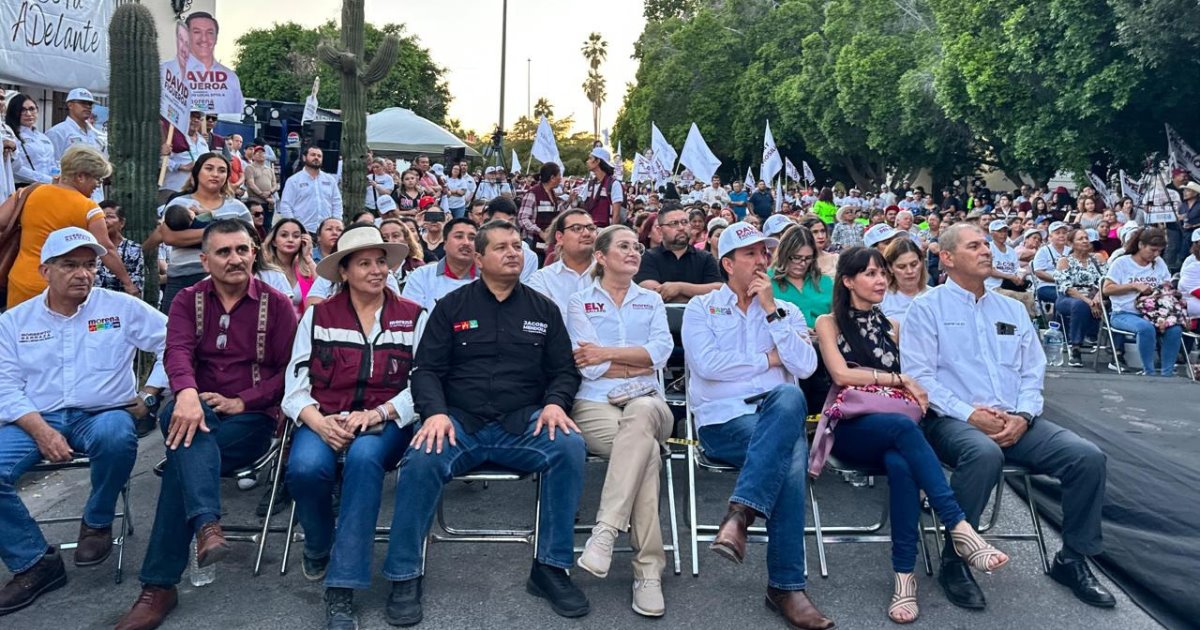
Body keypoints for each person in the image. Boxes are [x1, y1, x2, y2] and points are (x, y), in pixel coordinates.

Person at [901, 224, 1114, 612]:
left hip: (1016, 420)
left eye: (986, 244)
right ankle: (957, 556)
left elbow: (1033, 370)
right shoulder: (926, 308)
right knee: (984, 454)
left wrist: (1024, 415)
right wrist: (971, 415)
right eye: (974, 246)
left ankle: (1072, 559)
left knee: (1087, 457)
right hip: (950, 420)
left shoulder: (1012, 308)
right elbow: (920, 379)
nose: (986, 251)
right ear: (946, 258)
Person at [385, 220, 589, 624]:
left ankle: (550, 568)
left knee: (569, 446)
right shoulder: (452, 307)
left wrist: (555, 404)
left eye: (517, 245)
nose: (513, 252)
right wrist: (436, 413)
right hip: (460, 423)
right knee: (422, 456)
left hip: (523, 423)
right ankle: (405, 574)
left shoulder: (542, 308)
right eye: (501, 247)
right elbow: (425, 370)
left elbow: (565, 371)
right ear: (479, 259)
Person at [115, 220, 299, 630]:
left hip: (248, 420)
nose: (235, 259)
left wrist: (241, 400)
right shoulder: (186, 300)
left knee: (183, 460)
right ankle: (205, 528)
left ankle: (160, 586)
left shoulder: (278, 304)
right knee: (186, 422)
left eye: (242, 250)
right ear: (204, 260)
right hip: (187, 408)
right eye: (224, 252)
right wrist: (184, 393)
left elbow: (292, 372)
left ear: (254, 252)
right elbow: (176, 350)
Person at [814, 246, 1008, 624]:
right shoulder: (829, 322)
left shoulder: (894, 327)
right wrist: (899, 379)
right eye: (869, 274)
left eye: (881, 273)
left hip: (896, 432)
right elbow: (841, 375)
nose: (880, 280)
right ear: (848, 280)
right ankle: (958, 525)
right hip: (852, 428)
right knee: (905, 429)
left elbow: (923, 375)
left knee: (902, 465)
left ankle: (905, 580)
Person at [0, 228, 166, 616]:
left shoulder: (120, 307)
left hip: (103, 412)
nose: (83, 274)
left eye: (90, 265)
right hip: (34, 418)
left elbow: (175, 341)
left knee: (116, 435)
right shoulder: (15, 321)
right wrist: (40, 430)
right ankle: (35, 562)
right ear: (45, 271)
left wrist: (151, 392)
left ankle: (97, 519)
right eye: (70, 265)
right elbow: (4, 384)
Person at [682, 221, 833, 630]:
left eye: (764, 253)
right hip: (725, 421)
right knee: (789, 449)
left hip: (776, 416)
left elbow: (805, 366)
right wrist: (769, 361)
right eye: (750, 254)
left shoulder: (786, 311)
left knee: (787, 397)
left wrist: (771, 311)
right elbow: (707, 368)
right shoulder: (702, 307)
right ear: (728, 264)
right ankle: (786, 587)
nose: (761, 260)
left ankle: (740, 516)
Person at [284, 225, 426, 629]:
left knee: (364, 460)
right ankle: (318, 542)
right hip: (324, 415)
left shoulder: (413, 315)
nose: (377, 270)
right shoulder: (319, 315)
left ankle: (341, 588)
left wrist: (379, 414)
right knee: (307, 470)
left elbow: (423, 384)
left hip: (386, 421)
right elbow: (294, 385)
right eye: (364, 263)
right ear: (343, 272)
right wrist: (317, 420)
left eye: (381, 261)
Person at [566, 225, 673, 617]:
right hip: (595, 403)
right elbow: (588, 368)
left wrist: (609, 354)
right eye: (624, 246)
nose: (634, 252)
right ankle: (648, 572)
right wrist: (634, 357)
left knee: (643, 414)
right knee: (644, 457)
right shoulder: (579, 302)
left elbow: (661, 352)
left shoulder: (652, 301)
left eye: (637, 247)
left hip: (648, 398)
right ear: (601, 256)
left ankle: (606, 532)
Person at [6, 146, 137, 308]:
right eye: (96, 178)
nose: (98, 184)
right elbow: (107, 249)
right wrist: (128, 283)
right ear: (81, 176)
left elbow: (2, 222)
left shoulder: (29, 192)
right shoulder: (90, 208)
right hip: (61, 287)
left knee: (19, 331)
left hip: (21, 281)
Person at [156, 152, 251, 313]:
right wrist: (222, 232)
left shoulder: (237, 207)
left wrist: (196, 234)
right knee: (174, 330)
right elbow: (170, 237)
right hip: (182, 277)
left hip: (226, 281)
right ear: (197, 172)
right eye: (209, 168)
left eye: (222, 170)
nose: (215, 174)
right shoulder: (179, 203)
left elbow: (249, 240)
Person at [1102, 228, 1183, 376]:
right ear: (1141, 245)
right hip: (1124, 312)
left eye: (1159, 251)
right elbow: (1106, 289)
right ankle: (1149, 370)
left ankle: (1167, 372)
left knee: (1175, 329)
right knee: (1145, 328)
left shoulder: (1159, 263)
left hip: (1155, 312)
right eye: (1152, 250)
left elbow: (1166, 285)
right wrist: (1133, 286)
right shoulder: (1122, 263)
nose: (1156, 254)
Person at [634, 205, 723, 303]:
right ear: (660, 230)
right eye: (674, 223)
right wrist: (698, 295)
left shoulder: (706, 258)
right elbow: (655, 294)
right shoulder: (648, 258)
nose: (681, 228)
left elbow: (718, 291)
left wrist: (680, 288)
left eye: (684, 222)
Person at [1054, 228, 1106, 367]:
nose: (1085, 241)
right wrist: (1089, 302)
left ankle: (1118, 353)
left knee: (1113, 304)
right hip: (1070, 297)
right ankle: (1075, 347)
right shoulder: (1064, 261)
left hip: (1096, 295)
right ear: (1071, 243)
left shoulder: (1098, 258)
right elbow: (1067, 288)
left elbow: (1106, 281)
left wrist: (1097, 297)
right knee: (1080, 305)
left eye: (1086, 238)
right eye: (1080, 239)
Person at [527, 209, 596, 313]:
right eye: (577, 228)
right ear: (560, 237)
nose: (586, 233)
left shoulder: (612, 274)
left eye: (591, 228)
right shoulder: (543, 279)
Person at [402, 218, 479, 310]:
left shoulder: (489, 277)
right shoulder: (421, 276)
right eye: (459, 236)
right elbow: (411, 317)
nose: (466, 242)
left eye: (472, 238)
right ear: (445, 243)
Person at [46, 89, 106, 202]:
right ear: (70, 105)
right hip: (70, 193)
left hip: (95, 193)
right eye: (83, 103)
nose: (87, 107)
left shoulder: (95, 133)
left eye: (90, 104)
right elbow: (52, 164)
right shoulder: (58, 132)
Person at [182, 12, 245, 113]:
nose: (204, 39)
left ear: (216, 38)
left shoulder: (231, 78)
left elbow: (238, 117)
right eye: (197, 32)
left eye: (210, 33)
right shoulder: (168, 73)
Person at [769, 226, 832, 327]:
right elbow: (764, 319)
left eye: (808, 258)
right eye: (796, 258)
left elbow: (838, 317)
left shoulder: (825, 282)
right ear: (784, 254)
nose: (802, 264)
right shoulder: (768, 282)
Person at [278, 146, 342, 233]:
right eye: (313, 155)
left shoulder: (330, 180)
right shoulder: (294, 180)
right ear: (304, 158)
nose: (316, 157)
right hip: (303, 230)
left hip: (326, 231)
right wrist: (294, 227)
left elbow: (337, 203)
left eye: (319, 156)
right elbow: (286, 205)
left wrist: (336, 222)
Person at [261, 218, 317, 314]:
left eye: (296, 236)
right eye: (284, 235)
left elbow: (324, 289)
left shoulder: (305, 270)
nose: (290, 240)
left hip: (300, 326)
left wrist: (308, 257)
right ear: (274, 241)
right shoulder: (265, 269)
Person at [480, 197, 539, 280]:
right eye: (499, 221)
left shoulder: (528, 256)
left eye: (510, 221)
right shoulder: (477, 251)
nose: (505, 226)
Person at [986, 220, 1036, 317]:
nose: (1003, 234)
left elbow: (1017, 269)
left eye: (1005, 231)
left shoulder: (1011, 251)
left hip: (1011, 285)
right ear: (991, 233)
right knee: (1010, 297)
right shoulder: (988, 248)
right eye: (999, 231)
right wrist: (1010, 277)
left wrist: (1019, 278)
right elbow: (989, 270)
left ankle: (1028, 325)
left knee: (1029, 297)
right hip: (993, 286)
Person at [93, 201, 145, 294]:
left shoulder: (132, 249)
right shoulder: (90, 247)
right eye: (100, 217)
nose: (105, 221)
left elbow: (135, 288)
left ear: (122, 223)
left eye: (110, 216)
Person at [5, 94, 56, 186]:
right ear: (14, 112)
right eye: (23, 110)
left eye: (32, 109)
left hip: (48, 186)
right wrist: (45, 179)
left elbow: (51, 163)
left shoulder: (43, 137)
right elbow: (15, 168)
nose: (28, 114)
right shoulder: (10, 136)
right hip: (24, 187)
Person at [160, 110, 209, 203]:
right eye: (191, 117)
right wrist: (181, 167)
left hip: (196, 192)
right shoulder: (172, 136)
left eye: (198, 118)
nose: (195, 120)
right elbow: (161, 159)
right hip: (173, 188)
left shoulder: (203, 141)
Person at [880, 238, 928, 326]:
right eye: (901, 267)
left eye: (914, 264)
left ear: (921, 262)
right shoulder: (881, 299)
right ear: (890, 268)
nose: (909, 271)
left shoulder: (935, 295)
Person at [517, 162, 563, 253]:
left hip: (548, 243)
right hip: (533, 242)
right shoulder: (532, 194)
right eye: (559, 175)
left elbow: (556, 213)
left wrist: (569, 201)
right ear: (552, 178)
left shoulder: (552, 194)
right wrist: (540, 232)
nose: (561, 179)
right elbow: (522, 218)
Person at [574, 148, 622, 227]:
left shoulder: (614, 184)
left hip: (604, 231)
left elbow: (616, 215)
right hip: (589, 231)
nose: (587, 161)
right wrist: (573, 201)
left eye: (590, 158)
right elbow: (582, 206)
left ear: (598, 161)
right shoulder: (589, 184)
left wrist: (610, 235)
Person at [380, 218, 426, 288]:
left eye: (395, 236)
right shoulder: (375, 269)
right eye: (384, 238)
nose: (390, 240)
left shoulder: (418, 267)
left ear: (406, 239)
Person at [1033, 221, 1072, 303]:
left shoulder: (1071, 251)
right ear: (1050, 237)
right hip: (1047, 285)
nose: (1061, 235)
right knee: (1064, 297)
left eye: (1064, 233)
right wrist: (1059, 280)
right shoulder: (1043, 251)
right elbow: (1038, 272)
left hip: (1069, 286)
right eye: (1057, 233)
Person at [244, 146, 278, 218]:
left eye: (263, 153)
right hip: (255, 202)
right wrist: (262, 194)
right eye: (258, 153)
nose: (261, 154)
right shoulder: (250, 168)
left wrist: (270, 192)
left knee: (268, 225)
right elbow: (251, 184)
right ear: (253, 156)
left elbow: (275, 185)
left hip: (269, 203)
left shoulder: (270, 169)